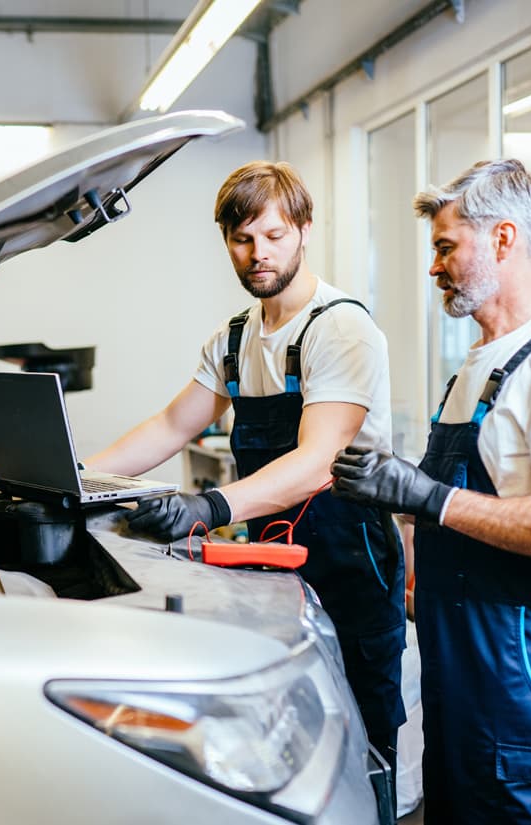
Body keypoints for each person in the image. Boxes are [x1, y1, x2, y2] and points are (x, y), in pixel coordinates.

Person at [87, 160, 406, 784]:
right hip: (273, 564)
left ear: (305, 230)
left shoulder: (339, 328)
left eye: (273, 236)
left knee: (360, 745)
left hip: (350, 565)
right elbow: (171, 425)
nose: (257, 254)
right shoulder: (234, 340)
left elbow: (318, 463)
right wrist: (72, 479)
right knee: (289, 740)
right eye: (242, 239)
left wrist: (206, 509)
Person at [331, 159, 531, 824]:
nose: (434, 268)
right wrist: (397, 496)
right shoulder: (474, 366)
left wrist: (427, 496)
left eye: (444, 247)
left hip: (522, 699)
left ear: (502, 239)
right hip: (458, 683)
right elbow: (468, 507)